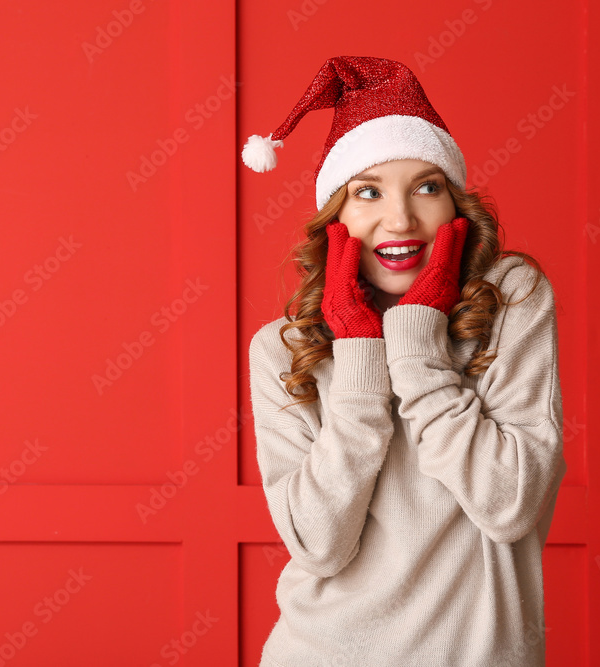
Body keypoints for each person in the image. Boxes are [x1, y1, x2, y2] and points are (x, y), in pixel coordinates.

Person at [241, 56, 567, 666]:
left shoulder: (512, 298)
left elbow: (510, 505)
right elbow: (319, 545)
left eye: (426, 186)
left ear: (454, 207)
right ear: (335, 218)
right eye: (367, 192)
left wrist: (416, 348)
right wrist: (361, 358)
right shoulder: (282, 349)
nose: (400, 219)